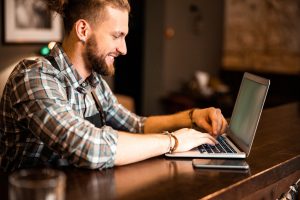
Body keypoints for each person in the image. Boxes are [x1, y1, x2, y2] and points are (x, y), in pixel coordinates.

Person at [0, 0, 227, 172]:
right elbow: (91, 148)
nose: (124, 49)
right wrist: (174, 141)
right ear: (83, 30)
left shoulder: (94, 82)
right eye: (117, 36)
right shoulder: (33, 76)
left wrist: (192, 117)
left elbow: (137, 125)